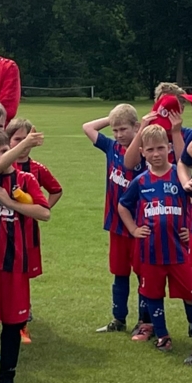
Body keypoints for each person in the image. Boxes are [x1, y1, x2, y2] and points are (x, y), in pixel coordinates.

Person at [0, 126, 47, 383]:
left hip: (16, 265)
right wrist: (24, 143)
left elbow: (44, 213)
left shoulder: (26, 179)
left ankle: (6, 379)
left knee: (12, 325)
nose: (2, 157)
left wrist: (10, 203)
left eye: (4, 151)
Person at [115, 123, 192, 351]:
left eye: (160, 148)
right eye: (149, 150)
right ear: (142, 152)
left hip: (179, 250)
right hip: (151, 251)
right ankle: (162, 335)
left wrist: (191, 229)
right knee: (153, 294)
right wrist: (133, 229)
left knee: (191, 292)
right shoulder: (140, 181)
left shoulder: (179, 176)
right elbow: (123, 206)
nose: (156, 154)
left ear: (169, 148)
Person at [0, 117, 62, 344]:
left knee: (22, 278)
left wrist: (39, 208)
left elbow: (56, 190)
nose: (23, 144)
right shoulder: (3, 167)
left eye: (27, 139)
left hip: (26, 235)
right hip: (1, 234)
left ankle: (22, 323)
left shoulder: (35, 169)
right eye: (18, 139)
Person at [82, 103, 142, 333]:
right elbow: (87, 127)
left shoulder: (143, 150)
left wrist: (138, 129)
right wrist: (112, 118)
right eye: (115, 130)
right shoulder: (111, 147)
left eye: (123, 129)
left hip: (139, 225)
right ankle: (119, 319)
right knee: (119, 272)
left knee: (143, 275)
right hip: (116, 225)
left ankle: (144, 322)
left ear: (136, 127)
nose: (118, 135)